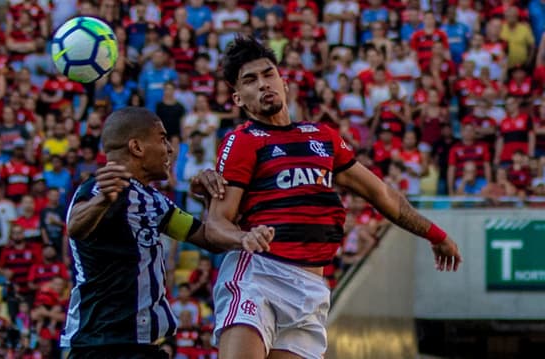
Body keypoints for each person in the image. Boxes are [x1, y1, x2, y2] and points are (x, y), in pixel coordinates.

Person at [206, 36, 462, 359]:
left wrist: (435, 234)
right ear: (238, 97)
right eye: (250, 80)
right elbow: (215, 223)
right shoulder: (242, 141)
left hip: (311, 288)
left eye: (268, 74)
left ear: (283, 82)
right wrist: (244, 238)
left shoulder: (323, 137)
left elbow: (380, 193)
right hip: (260, 275)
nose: (263, 85)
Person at [60, 107, 270, 358]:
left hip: (142, 346)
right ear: (137, 147)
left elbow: (208, 239)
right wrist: (103, 200)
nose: (170, 149)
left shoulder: (155, 201)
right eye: (162, 139)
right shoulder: (97, 188)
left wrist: (208, 201)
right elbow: (76, 227)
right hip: (100, 344)